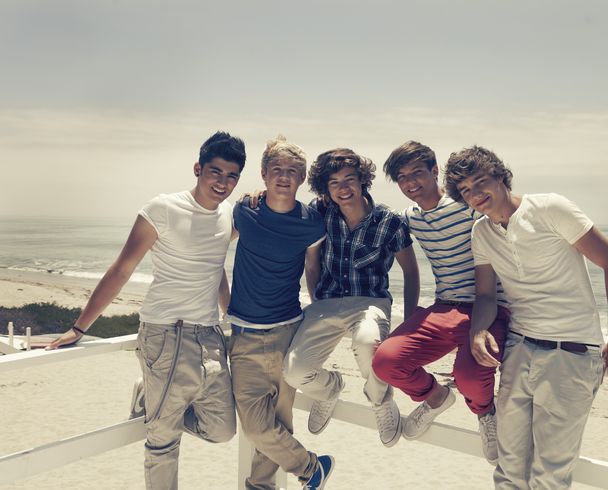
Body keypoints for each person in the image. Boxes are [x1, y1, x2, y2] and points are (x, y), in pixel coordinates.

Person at [47, 132, 245, 490]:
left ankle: (149, 395)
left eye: (232, 176)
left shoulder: (230, 216)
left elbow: (212, 266)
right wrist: (79, 328)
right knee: (163, 440)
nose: (223, 182)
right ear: (198, 168)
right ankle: (154, 404)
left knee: (223, 430)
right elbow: (122, 269)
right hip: (166, 333)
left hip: (210, 336)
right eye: (215, 172)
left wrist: (231, 315)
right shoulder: (162, 209)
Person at [444, 146, 608, 489]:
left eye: (480, 182)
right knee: (509, 469)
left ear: (501, 176)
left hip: (571, 354)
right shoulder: (481, 233)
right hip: (519, 350)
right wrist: (478, 330)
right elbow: (485, 295)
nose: (475, 194)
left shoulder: (549, 208)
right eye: (465, 190)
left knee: (550, 476)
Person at [372, 141, 510, 463]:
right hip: (446, 307)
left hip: (491, 306)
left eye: (417, 173)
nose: (410, 183)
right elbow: (371, 218)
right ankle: (435, 397)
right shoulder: (410, 217)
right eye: (402, 177)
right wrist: (408, 320)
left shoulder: (469, 207)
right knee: (385, 360)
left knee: (471, 375)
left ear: (435, 172)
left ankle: (486, 413)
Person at [282, 148, 420, 448]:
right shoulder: (320, 213)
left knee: (368, 342)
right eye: (334, 183)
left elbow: (411, 271)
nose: (343, 188)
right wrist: (315, 294)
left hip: (370, 301)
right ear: (325, 189)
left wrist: (409, 323)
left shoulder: (389, 221)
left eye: (349, 179)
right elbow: (311, 259)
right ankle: (329, 389)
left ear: (362, 181)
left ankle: (381, 401)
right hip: (327, 302)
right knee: (294, 371)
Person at [227, 136, 334, 490]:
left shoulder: (312, 223)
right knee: (256, 427)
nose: (284, 177)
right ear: (263, 174)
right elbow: (210, 251)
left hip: (288, 332)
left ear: (302, 178)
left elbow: (313, 271)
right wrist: (221, 303)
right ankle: (310, 467)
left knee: (279, 425)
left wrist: (323, 314)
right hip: (243, 337)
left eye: (292, 171)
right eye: (277, 170)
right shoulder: (245, 211)